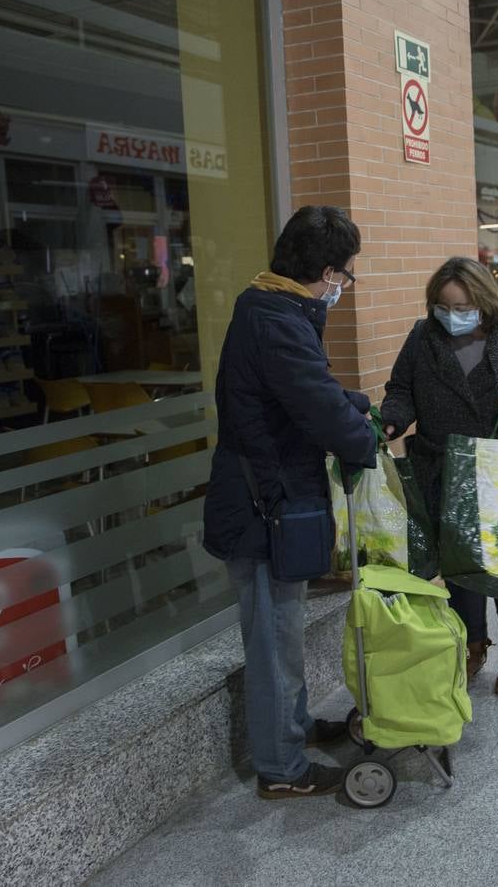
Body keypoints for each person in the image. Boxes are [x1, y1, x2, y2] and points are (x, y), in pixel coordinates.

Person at [203, 205, 378, 799]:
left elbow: (301, 392)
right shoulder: (276, 317)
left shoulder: (273, 307)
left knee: (285, 630)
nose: (342, 288)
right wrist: (362, 437)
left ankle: (295, 728)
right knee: (274, 640)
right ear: (326, 271)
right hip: (262, 507)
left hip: (274, 498)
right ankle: (281, 768)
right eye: (344, 276)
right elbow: (311, 399)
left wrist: (348, 401)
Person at [381, 257, 498, 695]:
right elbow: (402, 389)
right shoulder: (423, 338)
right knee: (461, 564)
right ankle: (472, 644)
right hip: (444, 469)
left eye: (462, 305)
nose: (451, 315)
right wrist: (394, 418)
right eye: (442, 306)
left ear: (484, 301)